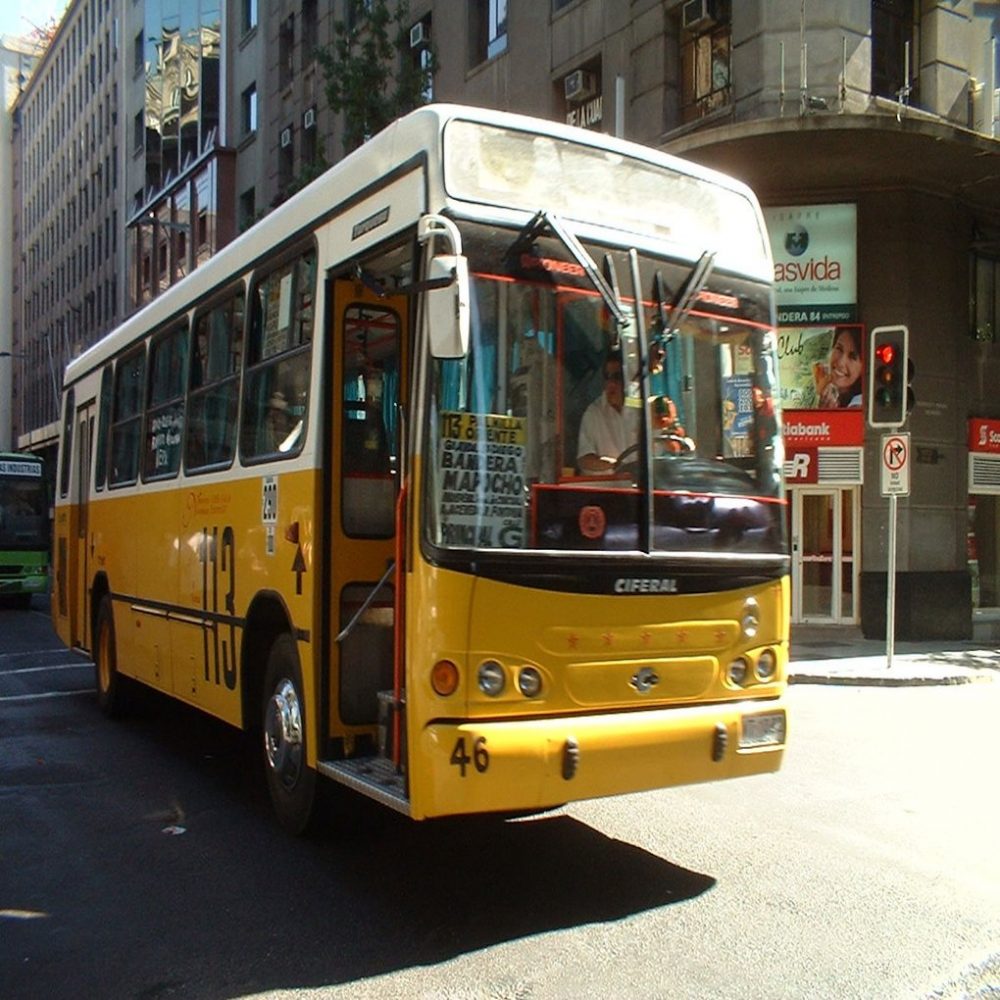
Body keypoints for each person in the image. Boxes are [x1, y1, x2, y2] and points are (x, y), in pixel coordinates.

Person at [576, 355, 638, 473]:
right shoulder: (593, 413)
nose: (611, 383)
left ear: (629, 379)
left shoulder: (641, 408)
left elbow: (662, 445)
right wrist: (614, 465)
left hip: (642, 487)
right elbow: (584, 459)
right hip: (607, 487)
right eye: (607, 377)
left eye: (616, 377)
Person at [814, 327, 863, 408]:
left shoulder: (857, 405)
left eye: (852, 357)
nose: (840, 362)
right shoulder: (836, 397)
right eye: (839, 349)